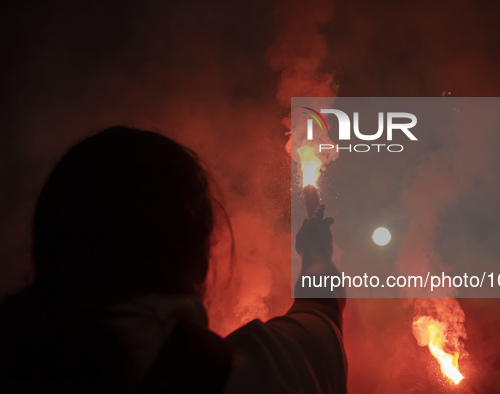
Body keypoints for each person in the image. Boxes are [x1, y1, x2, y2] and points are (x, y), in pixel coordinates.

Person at [0, 126, 346, 393]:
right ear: (198, 259)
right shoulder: (242, 378)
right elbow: (321, 315)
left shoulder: (19, 355)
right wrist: (315, 250)